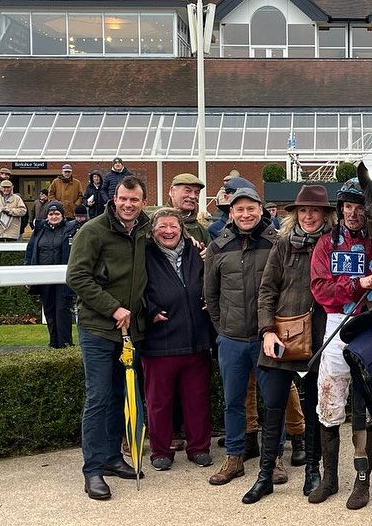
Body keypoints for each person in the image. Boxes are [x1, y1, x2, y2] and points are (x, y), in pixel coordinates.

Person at [241, 184, 335, 504]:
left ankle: (312, 470)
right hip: (282, 338)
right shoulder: (283, 245)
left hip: (319, 339)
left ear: (325, 214)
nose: (309, 216)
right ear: (295, 214)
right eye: (303, 210)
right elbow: (267, 291)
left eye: (315, 210)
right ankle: (265, 475)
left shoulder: (333, 245)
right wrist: (267, 331)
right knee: (273, 409)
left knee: (313, 408)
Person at [66, 176, 150, 500]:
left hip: (130, 332)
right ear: (114, 198)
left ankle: (114, 457)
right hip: (98, 329)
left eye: (135, 200)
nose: (128, 205)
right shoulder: (93, 231)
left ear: (143, 202)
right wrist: (113, 308)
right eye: (123, 198)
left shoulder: (143, 230)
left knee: (119, 396)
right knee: (98, 397)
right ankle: (93, 469)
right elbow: (76, 276)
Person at [308, 178, 372, 509]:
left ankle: (362, 482)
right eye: (348, 207)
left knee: (367, 406)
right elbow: (321, 290)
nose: (353, 213)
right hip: (337, 323)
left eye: (359, 207)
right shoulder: (326, 244)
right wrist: (358, 284)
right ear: (340, 210)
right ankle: (330, 478)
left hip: (371, 324)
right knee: (329, 404)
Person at [204, 185, 278, 486]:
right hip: (232, 339)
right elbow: (210, 294)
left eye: (251, 208)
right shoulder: (218, 247)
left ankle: (274, 461)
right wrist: (224, 329)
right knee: (233, 401)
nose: (246, 214)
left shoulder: (277, 243)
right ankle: (234, 457)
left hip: (268, 338)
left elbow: (282, 289)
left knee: (272, 401)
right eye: (239, 209)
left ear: (260, 210)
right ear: (231, 214)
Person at [141, 208, 213, 472]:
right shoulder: (144, 254)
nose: (168, 231)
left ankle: (199, 447)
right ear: (152, 230)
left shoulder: (198, 252)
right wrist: (148, 309)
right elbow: (133, 288)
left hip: (196, 340)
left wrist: (210, 301)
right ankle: (160, 450)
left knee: (197, 399)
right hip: (160, 342)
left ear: (183, 229)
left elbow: (211, 280)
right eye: (162, 226)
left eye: (173, 226)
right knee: (159, 401)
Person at [25, 201, 78, 348]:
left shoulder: (71, 229)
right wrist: (27, 273)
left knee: (62, 311)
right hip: (43, 278)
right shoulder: (39, 230)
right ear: (47, 216)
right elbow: (30, 252)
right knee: (49, 310)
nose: (54, 216)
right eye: (51, 214)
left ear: (62, 215)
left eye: (57, 214)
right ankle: (53, 343)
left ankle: (65, 344)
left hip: (63, 279)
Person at [168, 173, 209, 245]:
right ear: (172, 191)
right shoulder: (154, 220)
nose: (193, 196)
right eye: (187, 191)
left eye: (197, 193)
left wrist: (207, 253)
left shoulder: (200, 230)